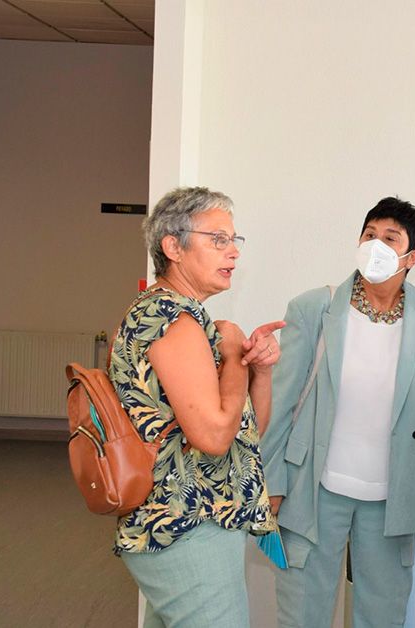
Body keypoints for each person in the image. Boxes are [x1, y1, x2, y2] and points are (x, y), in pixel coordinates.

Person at [262, 197, 415, 628]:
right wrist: (271, 480)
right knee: (303, 608)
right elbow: (282, 401)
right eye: (369, 234)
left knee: (383, 613)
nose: (376, 245)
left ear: (413, 257)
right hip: (315, 485)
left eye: (390, 238)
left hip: (393, 494)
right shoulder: (314, 308)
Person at [109, 186, 284, 627]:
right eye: (217, 239)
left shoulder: (185, 318)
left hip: (190, 524)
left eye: (233, 240)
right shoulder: (173, 320)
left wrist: (256, 370)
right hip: (187, 527)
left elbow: (244, 432)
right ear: (173, 247)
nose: (233, 253)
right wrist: (231, 355)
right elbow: (211, 437)